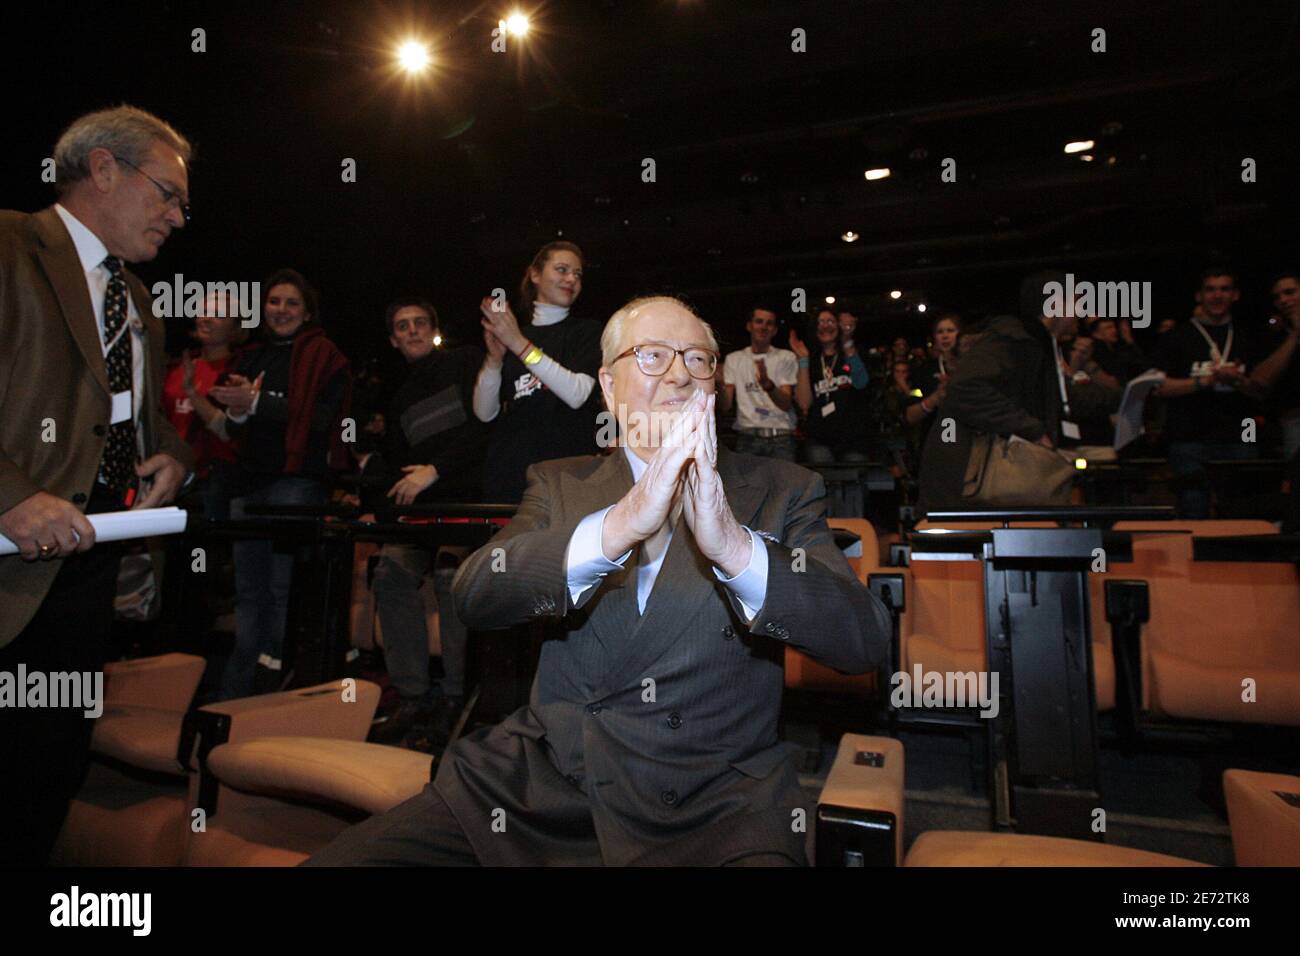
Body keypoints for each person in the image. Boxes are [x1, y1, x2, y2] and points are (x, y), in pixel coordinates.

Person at [305, 295, 891, 866]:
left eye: (698, 359)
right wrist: (617, 527)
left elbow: (862, 640)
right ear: (609, 387)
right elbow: (477, 595)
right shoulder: (561, 484)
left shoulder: (783, 488)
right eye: (654, 355)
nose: (681, 375)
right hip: (540, 786)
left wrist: (735, 549)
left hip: (713, 806)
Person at [0, 105, 195, 864]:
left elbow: (133, 421)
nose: (179, 217)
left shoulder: (139, 300)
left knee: (46, 772)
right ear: (105, 169)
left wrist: (173, 454)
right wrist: (9, 494)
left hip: (89, 575)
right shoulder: (11, 244)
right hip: (8, 567)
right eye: (168, 194)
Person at [209, 269, 351, 697]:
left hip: (295, 482)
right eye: (274, 301)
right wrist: (237, 408)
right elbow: (235, 430)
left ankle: (276, 679)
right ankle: (242, 680)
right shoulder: (249, 355)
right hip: (247, 482)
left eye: (292, 302)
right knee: (248, 590)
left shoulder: (326, 356)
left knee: (282, 587)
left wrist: (259, 402)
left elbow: (325, 421)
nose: (282, 310)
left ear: (307, 310)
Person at [368, 298, 490, 751]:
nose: (414, 330)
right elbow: (397, 464)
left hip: (466, 508)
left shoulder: (463, 362)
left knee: (449, 577)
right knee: (389, 573)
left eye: (422, 323)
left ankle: (457, 699)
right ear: (394, 339)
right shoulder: (397, 395)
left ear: (434, 331)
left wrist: (434, 471)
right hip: (419, 514)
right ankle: (414, 696)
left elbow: (483, 427)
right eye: (404, 326)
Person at [917, 272, 1078, 512]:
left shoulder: (1036, 343)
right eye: (1076, 301)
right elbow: (964, 387)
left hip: (977, 482)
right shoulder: (1014, 340)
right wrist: (1032, 430)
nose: (1083, 310)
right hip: (968, 482)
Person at [473, 241, 603, 503]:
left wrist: (519, 345)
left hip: (568, 479)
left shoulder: (586, 332)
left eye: (577, 274)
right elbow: (485, 413)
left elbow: (578, 394)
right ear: (535, 275)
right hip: (512, 479)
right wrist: (494, 359)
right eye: (562, 270)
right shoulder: (514, 336)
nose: (571, 279)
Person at [1153, 268, 1269, 518]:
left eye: (1224, 289)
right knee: (1193, 504)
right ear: (1199, 296)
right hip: (1188, 437)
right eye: (1211, 289)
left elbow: (1262, 390)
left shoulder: (1249, 336)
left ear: (1235, 295)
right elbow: (1159, 387)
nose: (1217, 295)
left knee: (1239, 507)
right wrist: (1205, 381)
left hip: (1241, 434)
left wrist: (1237, 380)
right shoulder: (1176, 337)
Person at [162, 288, 247, 519]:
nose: (206, 319)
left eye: (218, 314)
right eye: (203, 311)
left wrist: (193, 394)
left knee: (206, 548)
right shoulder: (178, 367)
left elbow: (231, 431)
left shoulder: (240, 370)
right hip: (171, 468)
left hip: (214, 478)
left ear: (236, 327)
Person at [791, 309, 870, 463]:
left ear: (839, 326)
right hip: (819, 437)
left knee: (854, 482)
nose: (825, 326)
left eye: (830, 321)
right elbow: (804, 403)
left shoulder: (852, 352)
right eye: (820, 322)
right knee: (824, 481)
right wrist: (803, 360)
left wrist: (847, 341)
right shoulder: (811, 361)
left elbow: (861, 383)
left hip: (853, 438)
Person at [719, 306, 798, 460]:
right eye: (759, 322)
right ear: (749, 326)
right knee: (747, 485)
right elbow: (726, 405)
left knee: (784, 484)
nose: (763, 327)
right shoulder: (734, 359)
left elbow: (785, 404)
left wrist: (767, 385)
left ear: (774, 330)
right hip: (747, 437)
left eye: (769, 324)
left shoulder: (785, 357)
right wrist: (716, 383)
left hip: (781, 437)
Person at [1250, 271, 1300, 461]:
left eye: (1290, 292)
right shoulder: (1274, 337)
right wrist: (1295, 335)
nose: (1283, 300)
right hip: (1294, 420)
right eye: (1277, 297)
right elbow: (1259, 380)